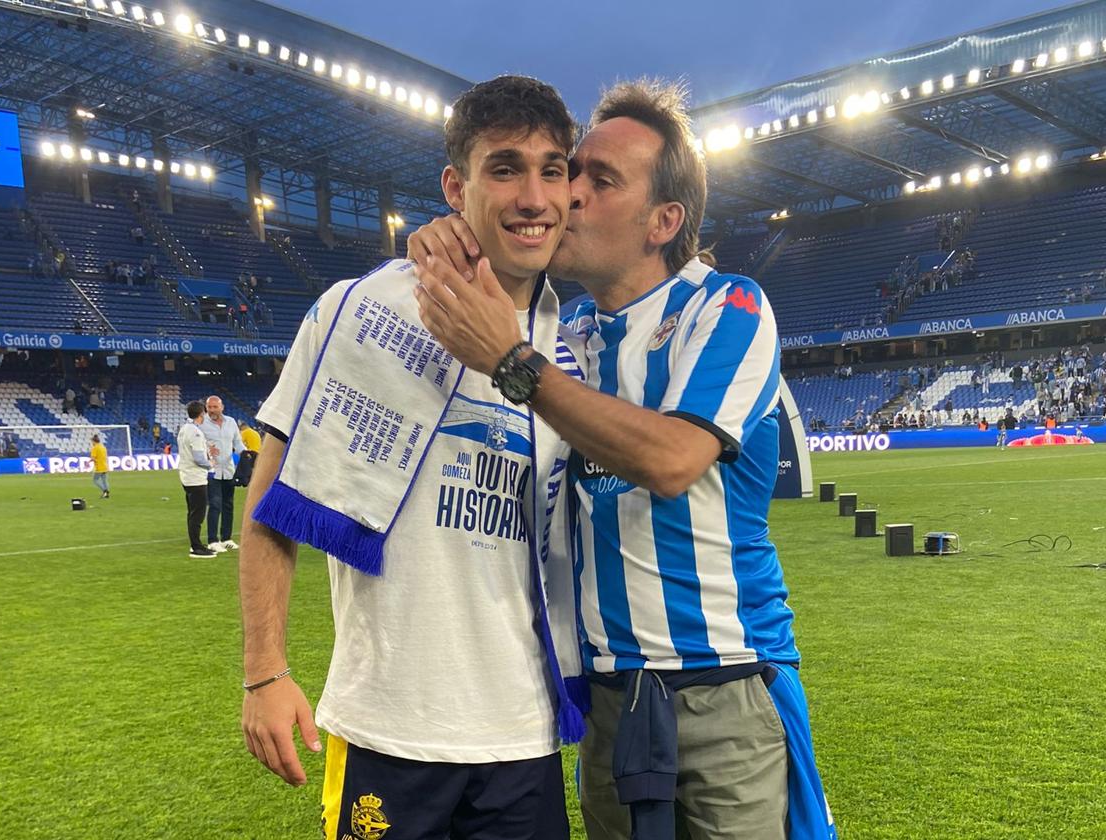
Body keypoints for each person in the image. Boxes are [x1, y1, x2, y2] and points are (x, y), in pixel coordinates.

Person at [410, 79, 834, 840]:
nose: (566, 196)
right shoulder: (563, 328)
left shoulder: (728, 308)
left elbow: (673, 460)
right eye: (574, 172)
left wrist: (516, 363)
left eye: (598, 181)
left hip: (725, 684)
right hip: (610, 698)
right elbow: (487, 235)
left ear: (662, 222)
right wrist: (441, 238)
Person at [239, 76, 584, 840]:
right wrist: (265, 669)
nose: (533, 195)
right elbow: (271, 506)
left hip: (524, 735)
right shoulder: (358, 312)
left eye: (551, 168)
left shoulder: (573, 356)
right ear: (455, 187)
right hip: (389, 728)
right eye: (505, 168)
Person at [201, 395, 244, 553]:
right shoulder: (201, 423)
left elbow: (237, 442)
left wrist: (246, 454)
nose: (211, 410)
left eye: (214, 407)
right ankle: (213, 540)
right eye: (209, 407)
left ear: (222, 407)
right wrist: (206, 449)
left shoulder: (231, 422)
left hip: (229, 470)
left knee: (228, 505)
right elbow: (195, 441)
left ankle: (226, 538)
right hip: (212, 471)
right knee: (215, 504)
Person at [178, 401, 216, 558]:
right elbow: (199, 458)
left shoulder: (184, 429)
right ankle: (196, 547)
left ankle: (196, 544)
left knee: (193, 512)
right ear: (202, 414)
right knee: (198, 513)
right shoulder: (195, 432)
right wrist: (210, 464)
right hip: (195, 478)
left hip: (186, 475)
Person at [89, 434, 110, 498]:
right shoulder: (103, 447)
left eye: (92, 442)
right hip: (105, 466)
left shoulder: (95, 448)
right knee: (105, 480)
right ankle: (106, 494)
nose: (92, 443)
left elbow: (93, 458)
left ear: (94, 441)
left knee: (95, 480)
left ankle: (105, 491)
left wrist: (88, 462)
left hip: (99, 467)